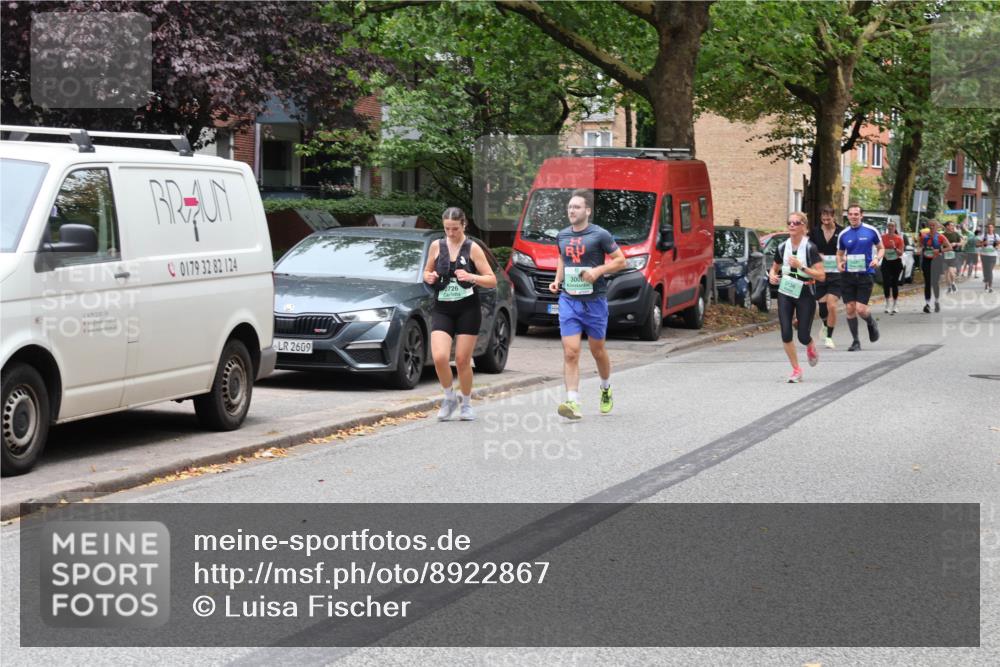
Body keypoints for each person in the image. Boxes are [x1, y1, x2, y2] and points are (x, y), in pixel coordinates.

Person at [548, 189, 626, 420]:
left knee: (597, 350)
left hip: (595, 302)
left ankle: (605, 387)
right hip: (569, 300)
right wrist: (557, 280)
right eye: (570, 207)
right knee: (571, 352)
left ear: (587, 211)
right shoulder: (562, 235)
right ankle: (573, 402)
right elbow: (562, 257)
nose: (572, 210)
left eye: (577, 207)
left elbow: (621, 261)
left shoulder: (600, 234)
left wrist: (598, 270)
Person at [423, 207, 497, 421]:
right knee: (439, 357)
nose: (451, 233)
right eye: (447, 229)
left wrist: (471, 276)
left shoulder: (472, 248)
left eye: (455, 228)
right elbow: (427, 272)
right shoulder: (437, 245)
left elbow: (491, 279)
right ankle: (449, 397)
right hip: (443, 308)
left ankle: (466, 403)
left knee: (463, 360)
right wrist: (429, 277)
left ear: (464, 225)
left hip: (468, 309)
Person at [768, 211, 825, 383]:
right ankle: (796, 370)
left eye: (796, 223)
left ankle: (809, 344)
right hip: (785, 290)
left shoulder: (810, 248)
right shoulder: (782, 247)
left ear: (804, 227)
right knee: (786, 333)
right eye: (789, 222)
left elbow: (821, 276)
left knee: (801, 336)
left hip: (805, 292)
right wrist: (772, 275)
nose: (792, 225)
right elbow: (774, 267)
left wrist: (802, 267)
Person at [837, 203, 884, 351]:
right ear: (848, 216)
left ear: (861, 215)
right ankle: (856, 341)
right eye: (850, 214)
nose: (853, 217)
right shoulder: (844, 234)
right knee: (850, 308)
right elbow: (839, 254)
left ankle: (871, 323)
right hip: (848, 275)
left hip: (865, 274)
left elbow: (881, 248)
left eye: (856, 214)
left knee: (861, 309)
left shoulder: (871, 231)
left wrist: (877, 259)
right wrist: (839, 264)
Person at [808, 205, 843, 347]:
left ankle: (829, 337)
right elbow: (809, 249)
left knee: (832, 305)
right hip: (820, 273)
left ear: (833, 216)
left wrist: (842, 257)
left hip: (836, 274)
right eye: (823, 216)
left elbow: (847, 248)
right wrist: (817, 255)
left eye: (828, 216)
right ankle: (825, 324)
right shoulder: (815, 232)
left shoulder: (841, 232)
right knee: (822, 308)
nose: (826, 219)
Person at [917, 220, 953, 312]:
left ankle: (936, 301)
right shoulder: (924, 237)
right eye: (930, 225)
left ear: (937, 227)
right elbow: (920, 245)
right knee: (927, 282)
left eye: (933, 225)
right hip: (926, 261)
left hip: (936, 261)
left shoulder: (940, 237)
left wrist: (939, 251)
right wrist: (919, 249)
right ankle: (927, 304)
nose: (932, 227)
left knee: (935, 283)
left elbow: (949, 247)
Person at [880, 221, 905, 314]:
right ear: (887, 227)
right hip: (886, 262)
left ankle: (895, 304)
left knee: (894, 283)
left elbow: (901, 253)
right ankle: (887, 304)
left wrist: (894, 247)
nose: (890, 227)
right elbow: (879, 248)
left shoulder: (899, 239)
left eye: (892, 226)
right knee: (886, 283)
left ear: (895, 228)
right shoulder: (883, 237)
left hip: (896, 263)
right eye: (889, 226)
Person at [942, 221, 963, 293]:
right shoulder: (942, 235)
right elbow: (939, 244)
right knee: (946, 273)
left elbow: (961, 243)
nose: (953, 227)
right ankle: (949, 287)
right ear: (947, 226)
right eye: (951, 225)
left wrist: (956, 243)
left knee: (951, 271)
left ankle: (953, 283)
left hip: (953, 254)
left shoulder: (956, 234)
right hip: (944, 254)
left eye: (953, 225)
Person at [979, 222, 999, 293]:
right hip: (984, 255)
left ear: (993, 228)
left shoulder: (996, 236)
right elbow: (977, 244)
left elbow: (999, 244)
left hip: (993, 255)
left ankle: (988, 284)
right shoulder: (983, 236)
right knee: (986, 270)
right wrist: (983, 243)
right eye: (989, 227)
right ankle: (988, 285)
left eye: (991, 227)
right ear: (987, 229)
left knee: (989, 270)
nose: (990, 228)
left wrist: (997, 246)